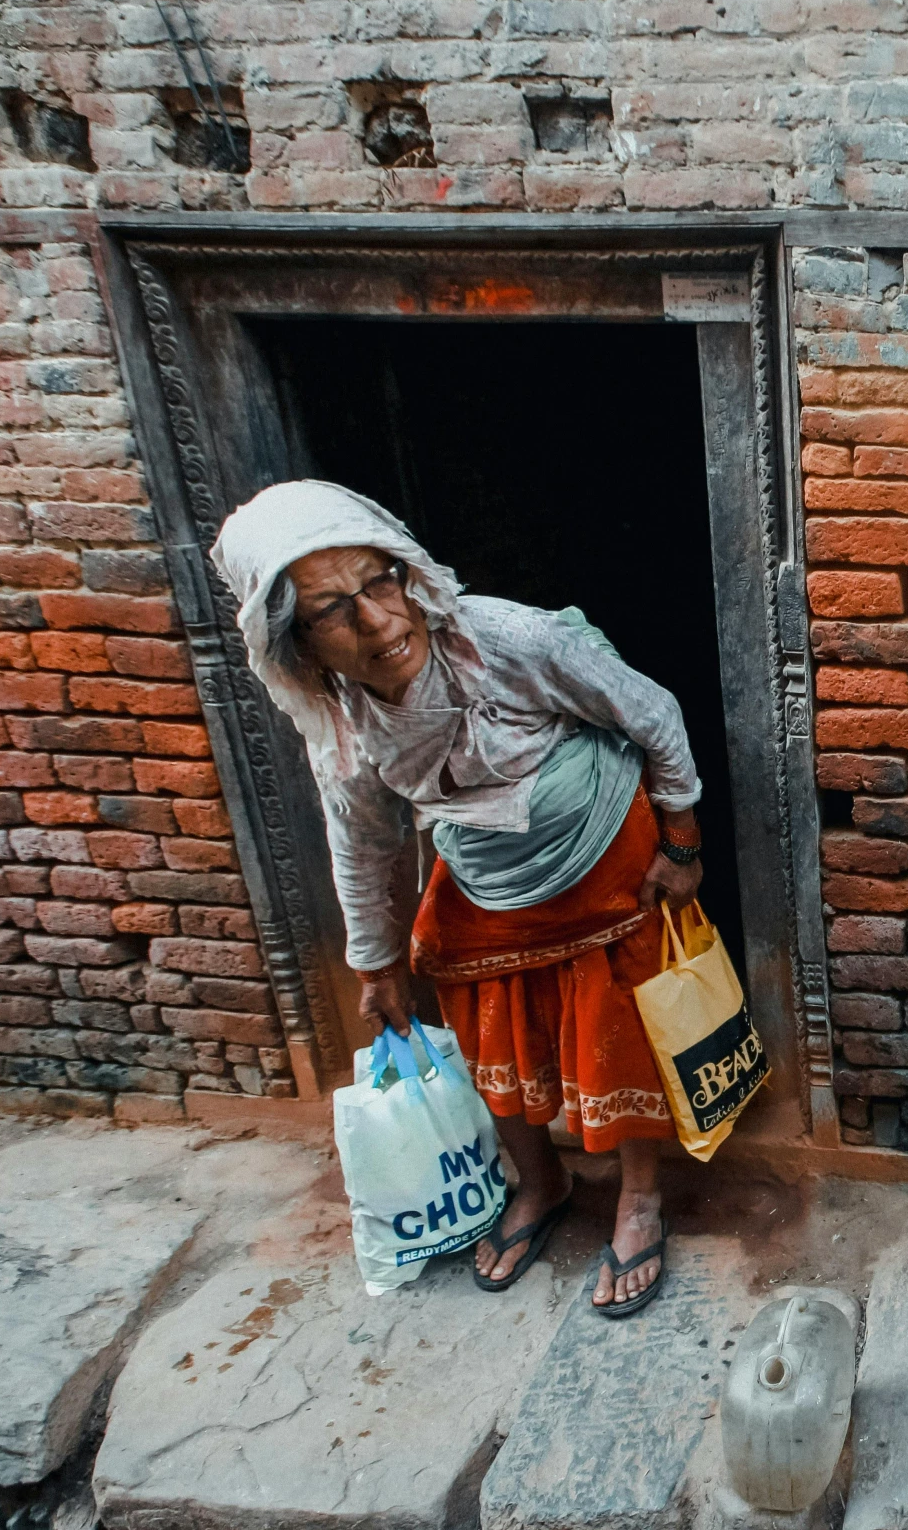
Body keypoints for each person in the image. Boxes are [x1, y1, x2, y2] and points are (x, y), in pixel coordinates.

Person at [211, 479, 707, 1317]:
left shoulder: (513, 637)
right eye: (335, 609)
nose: (377, 621)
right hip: (483, 864)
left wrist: (683, 845)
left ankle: (638, 1198)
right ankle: (539, 1180)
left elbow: (653, 712)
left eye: (380, 582)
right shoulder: (343, 720)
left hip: (599, 839)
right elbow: (365, 838)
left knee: (615, 1016)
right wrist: (373, 963)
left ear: (408, 577)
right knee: (466, 996)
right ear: (295, 641)